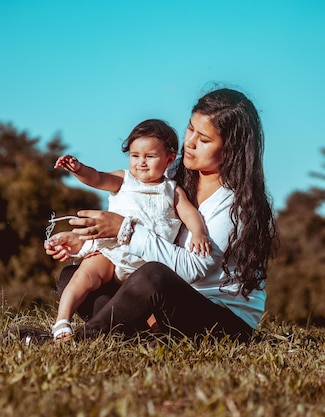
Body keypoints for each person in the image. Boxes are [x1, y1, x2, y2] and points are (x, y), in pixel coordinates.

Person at [44, 87, 278, 343]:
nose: (189, 143)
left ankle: (81, 339)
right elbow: (148, 225)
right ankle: (135, 336)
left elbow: (193, 269)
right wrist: (88, 245)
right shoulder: (174, 172)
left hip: (221, 318)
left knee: (152, 276)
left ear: (230, 148)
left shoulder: (235, 203)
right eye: (191, 129)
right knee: (74, 277)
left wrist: (125, 230)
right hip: (165, 302)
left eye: (204, 139)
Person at [50, 119, 211, 340]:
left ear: (169, 159)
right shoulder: (124, 180)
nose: (141, 163)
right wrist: (78, 169)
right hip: (112, 254)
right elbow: (96, 177)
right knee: (83, 276)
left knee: (154, 311)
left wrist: (199, 232)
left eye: (150, 156)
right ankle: (62, 322)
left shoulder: (172, 191)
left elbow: (190, 213)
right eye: (135, 156)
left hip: (146, 266)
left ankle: (150, 338)